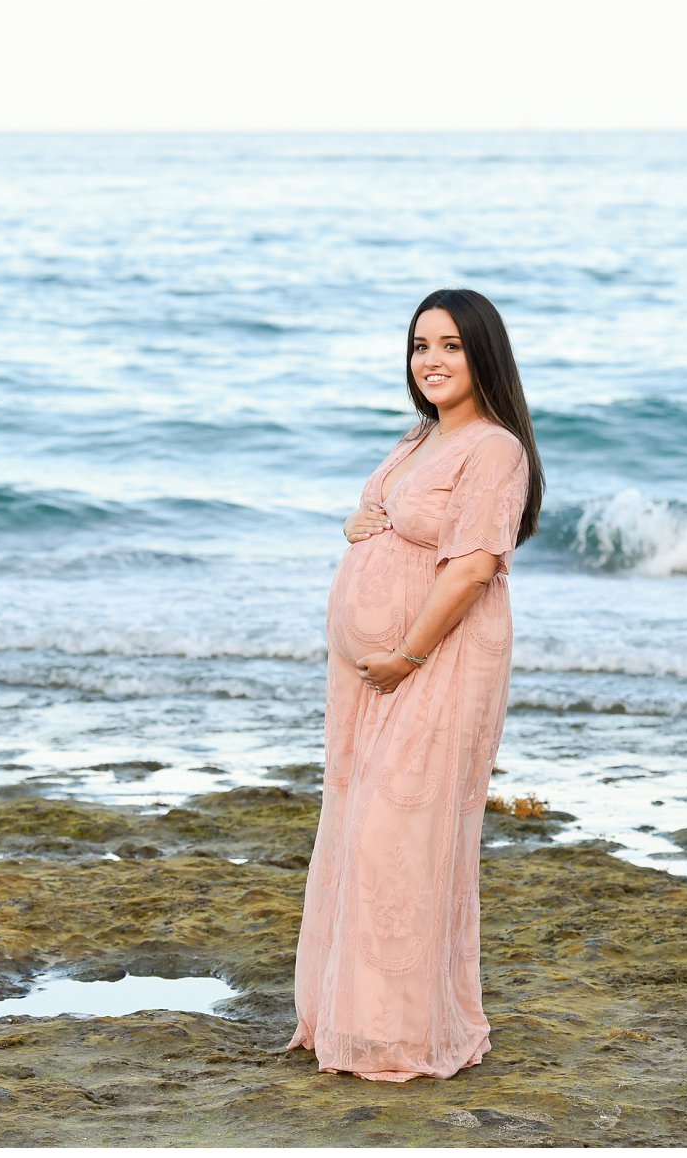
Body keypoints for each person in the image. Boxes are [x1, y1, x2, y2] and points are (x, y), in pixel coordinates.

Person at [285, 287, 544, 1081]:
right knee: (361, 825)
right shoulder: (419, 437)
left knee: (399, 837)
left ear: (484, 355)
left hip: (439, 660)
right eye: (420, 345)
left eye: (451, 346)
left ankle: (400, 1035)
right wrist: (357, 528)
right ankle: (353, 1024)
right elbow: (377, 513)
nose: (431, 360)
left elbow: (470, 567)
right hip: (376, 673)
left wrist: (407, 653)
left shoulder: (494, 447)